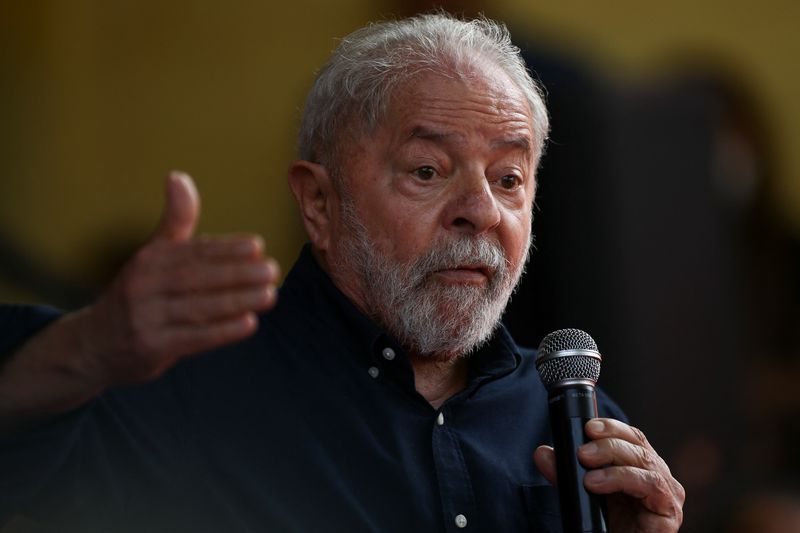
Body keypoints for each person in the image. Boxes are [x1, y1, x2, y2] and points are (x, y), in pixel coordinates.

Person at [0, 13, 684, 533]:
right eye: (427, 170)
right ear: (320, 203)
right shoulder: (192, 382)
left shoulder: (569, 414)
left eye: (509, 178)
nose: (481, 211)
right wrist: (88, 348)